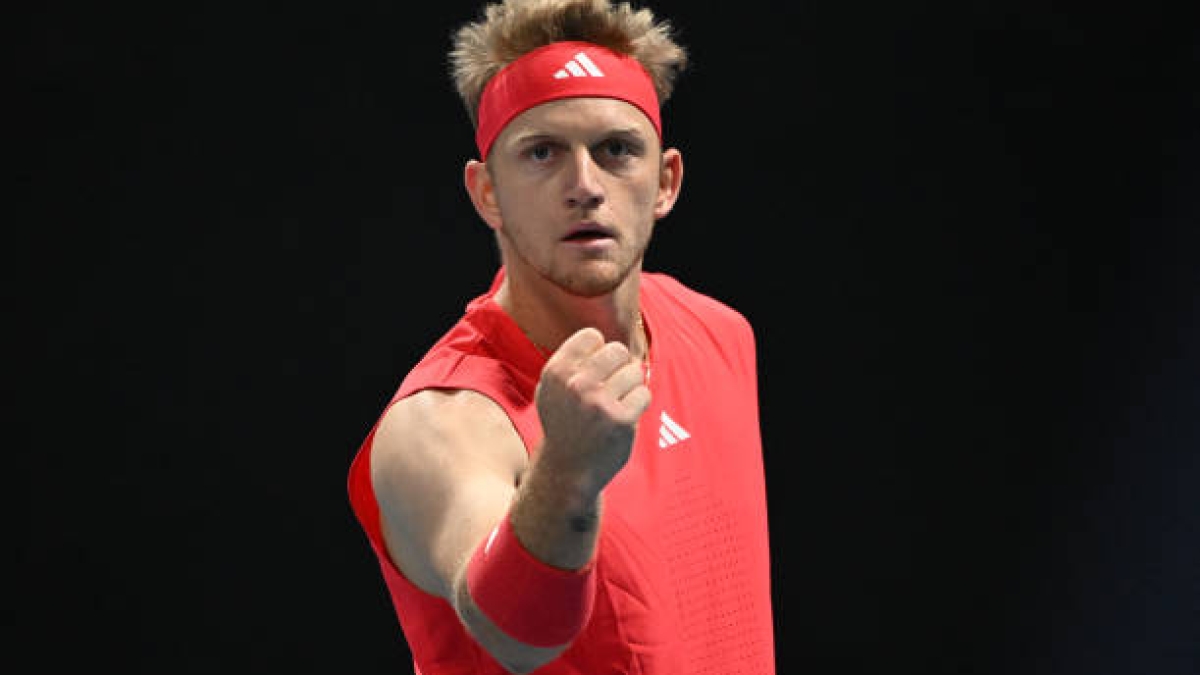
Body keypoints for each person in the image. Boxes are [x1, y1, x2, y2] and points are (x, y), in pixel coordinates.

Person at [346, 0, 775, 672]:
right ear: (487, 192)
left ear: (665, 182)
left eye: (616, 150)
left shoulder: (720, 336)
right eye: (542, 152)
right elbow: (516, 634)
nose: (584, 186)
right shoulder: (440, 425)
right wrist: (568, 473)